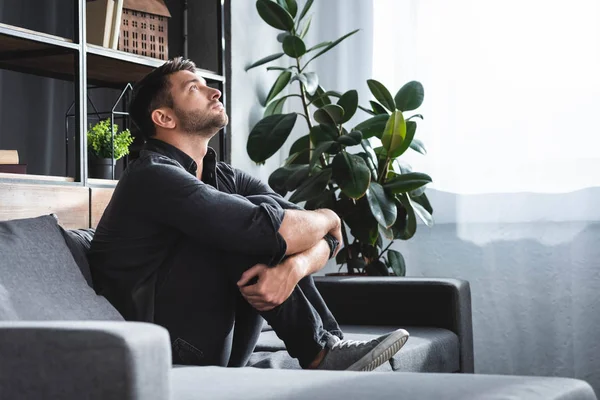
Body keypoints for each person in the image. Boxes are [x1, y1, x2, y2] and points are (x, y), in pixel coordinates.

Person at [88, 57, 409, 371]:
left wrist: (293, 269)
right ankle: (320, 354)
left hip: (223, 345)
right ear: (164, 118)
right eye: (193, 89)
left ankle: (329, 350)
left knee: (258, 214)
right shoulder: (151, 175)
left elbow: (317, 236)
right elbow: (267, 229)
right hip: (153, 349)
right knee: (244, 225)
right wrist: (332, 217)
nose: (214, 92)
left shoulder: (226, 177)